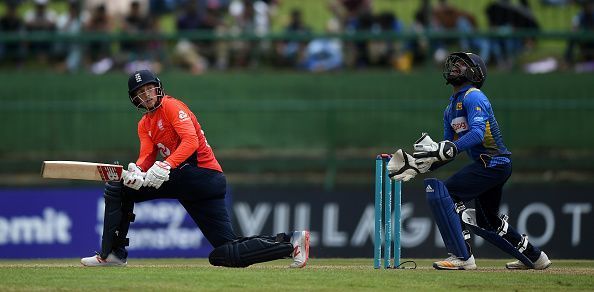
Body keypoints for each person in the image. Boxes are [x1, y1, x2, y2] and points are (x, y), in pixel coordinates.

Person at [81, 69, 310, 268]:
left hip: (202, 176)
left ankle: (112, 254)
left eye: (149, 88)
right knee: (226, 252)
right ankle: (291, 243)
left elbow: (190, 142)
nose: (146, 95)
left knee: (118, 189)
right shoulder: (144, 124)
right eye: (140, 93)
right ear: (135, 99)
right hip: (189, 184)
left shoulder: (172, 106)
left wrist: (165, 165)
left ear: (158, 88)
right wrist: (137, 171)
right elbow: (146, 156)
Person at [387, 52, 551, 270]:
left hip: (493, 162)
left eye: (462, 65)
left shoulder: (474, 96)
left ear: (475, 73)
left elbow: (477, 134)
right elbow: (447, 149)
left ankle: (462, 256)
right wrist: (418, 165)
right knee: (488, 221)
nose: (455, 67)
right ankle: (536, 257)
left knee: (447, 193)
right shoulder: (450, 108)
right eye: (454, 64)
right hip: (491, 166)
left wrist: (451, 147)